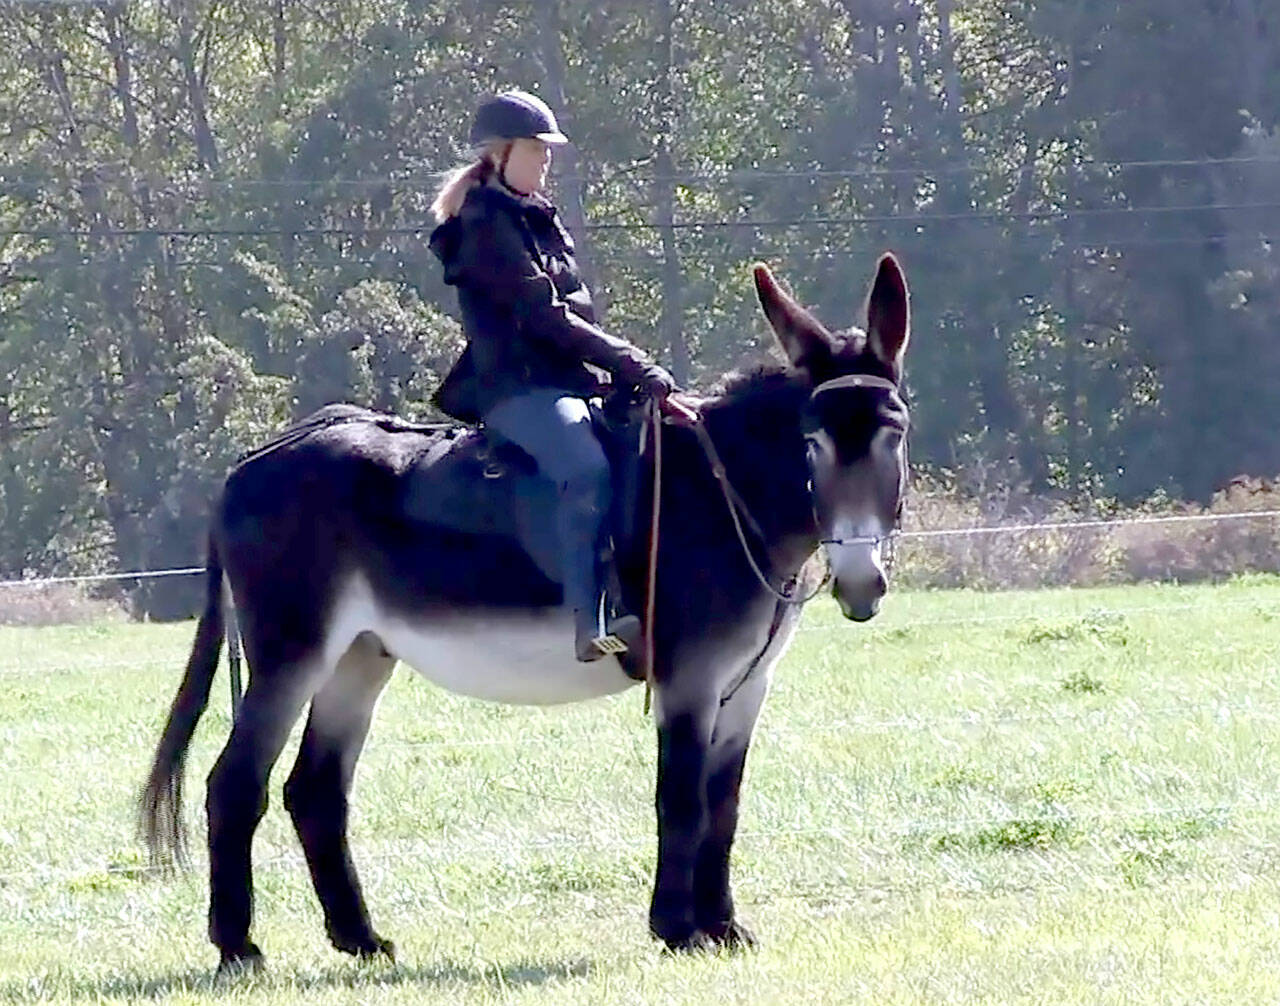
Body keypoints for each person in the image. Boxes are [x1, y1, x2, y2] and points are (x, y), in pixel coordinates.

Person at [428, 89, 677, 663]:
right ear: (500, 153)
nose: (546, 161)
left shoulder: (537, 217)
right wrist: (632, 362)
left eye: (547, 152)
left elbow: (576, 312)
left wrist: (619, 377)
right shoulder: (486, 226)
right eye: (537, 150)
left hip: (567, 381)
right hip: (517, 389)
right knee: (584, 467)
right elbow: (546, 316)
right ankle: (585, 618)